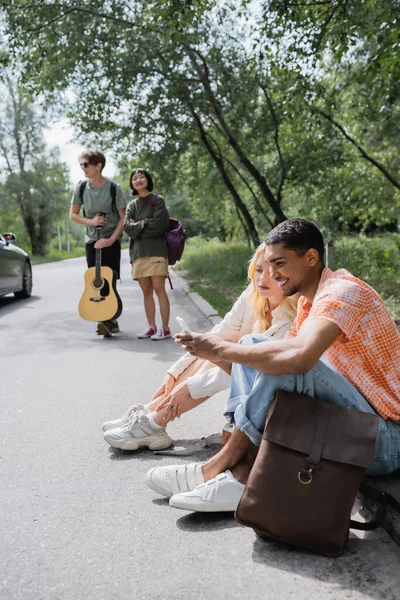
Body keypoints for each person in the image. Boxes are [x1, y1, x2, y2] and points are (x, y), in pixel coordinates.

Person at [145, 218, 400, 512]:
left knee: (281, 358)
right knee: (254, 345)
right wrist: (213, 352)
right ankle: (238, 468)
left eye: (279, 263)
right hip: (352, 428)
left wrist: (223, 348)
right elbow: (261, 375)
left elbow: (299, 359)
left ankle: (230, 471)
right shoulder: (309, 303)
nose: (272, 274)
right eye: (267, 265)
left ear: (311, 257)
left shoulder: (342, 291)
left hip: (384, 441)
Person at [102, 242, 298, 451]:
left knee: (220, 353)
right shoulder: (253, 296)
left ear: (285, 276)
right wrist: (174, 372)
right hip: (245, 374)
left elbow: (244, 369)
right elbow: (217, 335)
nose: (262, 278)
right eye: (258, 270)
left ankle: (153, 423)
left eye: (271, 272)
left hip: (277, 393)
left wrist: (188, 388)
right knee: (215, 346)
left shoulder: (291, 320)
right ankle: (150, 414)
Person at [70, 149, 126, 337]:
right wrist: (91, 222)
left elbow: (123, 218)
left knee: (109, 280)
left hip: (110, 240)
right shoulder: (81, 188)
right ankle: (106, 321)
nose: (83, 168)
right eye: (81, 165)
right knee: (95, 280)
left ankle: (108, 319)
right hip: (91, 241)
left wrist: (111, 240)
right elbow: (73, 215)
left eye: (86, 164)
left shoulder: (113, 188)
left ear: (98, 166)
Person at [123, 168, 171, 340]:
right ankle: (152, 327)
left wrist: (139, 225)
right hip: (138, 254)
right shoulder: (132, 205)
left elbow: (159, 225)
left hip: (156, 252)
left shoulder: (157, 200)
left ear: (147, 180)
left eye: (141, 177)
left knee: (159, 289)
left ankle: (165, 329)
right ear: (132, 184)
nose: (138, 180)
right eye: (134, 178)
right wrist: (145, 225)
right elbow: (127, 228)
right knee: (146, 292)